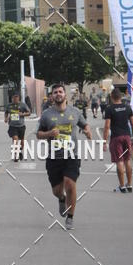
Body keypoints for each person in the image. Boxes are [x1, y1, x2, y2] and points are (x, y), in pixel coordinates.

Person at [37, 83, 92, 230]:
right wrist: (49, 134)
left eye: (60, 92)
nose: (58, 94)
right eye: (55, 92)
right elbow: (38, 134)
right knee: (57, 190)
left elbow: (84, 125)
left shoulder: (74, 112)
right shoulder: (47, 114)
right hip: (54, 157)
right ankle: (61, 199)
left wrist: (87, 131)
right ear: (52, 96)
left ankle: (70, 217)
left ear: (65, 94)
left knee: (70, 183)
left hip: (71, 155)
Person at [103, 88, 133, 193]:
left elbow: (107, 126)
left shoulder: (109, 109)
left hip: (116, 137)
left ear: (112, 97)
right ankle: (129, 184)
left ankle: (122, 186)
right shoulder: (127, 107)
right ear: (121, 97)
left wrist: (104, 141)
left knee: (119, 161)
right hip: (127, 136)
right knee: (127, 160)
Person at [4, 91, 30, 160]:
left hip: (21, 126)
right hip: (12, 126)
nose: (15, 99)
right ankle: (16, 155)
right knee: (15, 139)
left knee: (22, 142)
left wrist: (22, 114)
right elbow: (6, 112)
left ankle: (19, 151)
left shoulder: (23, 105)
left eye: (16, 97)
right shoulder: (9, 105)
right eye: (13, 97)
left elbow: (29, 112)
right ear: (12, 98)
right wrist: (6, 118)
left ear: (19, 98)